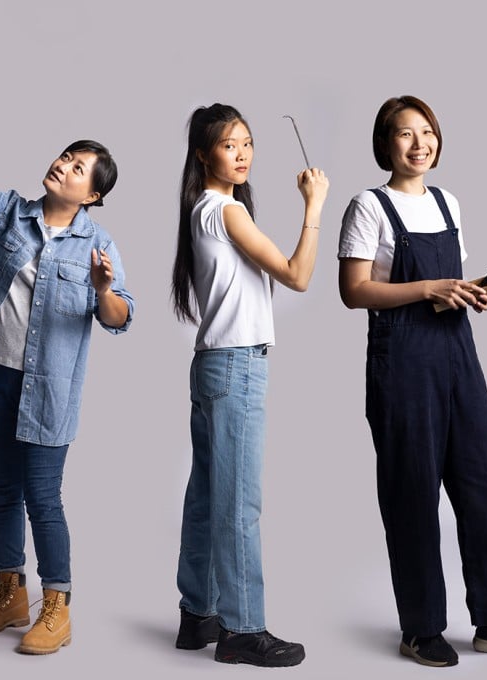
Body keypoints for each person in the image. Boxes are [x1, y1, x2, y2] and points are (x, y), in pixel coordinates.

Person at [338, 95, 487, 668]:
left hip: (458, 352)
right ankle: (420, 629)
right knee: (412, 495)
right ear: (385, 144)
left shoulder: (446, 201)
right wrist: (430, 288)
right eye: (406, 134)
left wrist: (468, 290)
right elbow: (354, 291)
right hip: (402, 361)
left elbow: (447, 280)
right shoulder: (367, 206)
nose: (420, 144)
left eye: (428, 132)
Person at [0, 88, 134, 655]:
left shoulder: (99, 244)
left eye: (77, 167)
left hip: (48, 391)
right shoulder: (8, 213)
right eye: (65, 156)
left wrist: (101, 290)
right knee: (1, 492)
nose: (62, 165)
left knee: (44, 497)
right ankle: (10, 593)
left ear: (92, 194)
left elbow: (121, 316)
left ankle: (58, 607)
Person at [170, 103, 328, 668]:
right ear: (202, 153)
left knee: (209, 493)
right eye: (228, 144)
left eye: (247, 143)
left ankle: (198, 614)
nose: (241, 154)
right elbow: (299, 275)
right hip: (236, 365)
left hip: (213, 362)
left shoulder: (202, 209)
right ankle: (242, 628)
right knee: (239, 502)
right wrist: (313, 208)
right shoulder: (227, 211)